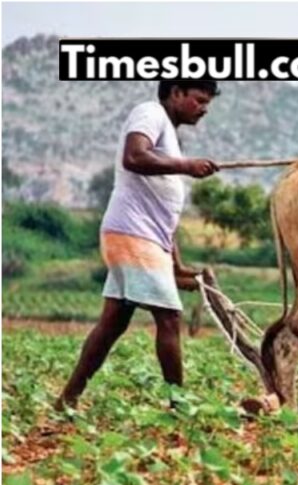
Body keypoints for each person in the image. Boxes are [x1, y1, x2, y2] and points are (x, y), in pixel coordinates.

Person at [54, 80, 221, 411]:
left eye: (207, 103)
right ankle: (179, 406)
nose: (204, 109)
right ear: (176, 92)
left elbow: (162, 212)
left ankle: (67, 399)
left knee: (113, 323)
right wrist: (187, 166)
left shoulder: (169, 135)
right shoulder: (150, 113)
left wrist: (176, 264)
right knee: (170, 318)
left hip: (140, 236)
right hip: (133, 235)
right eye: (199, 100)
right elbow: (134, 157)